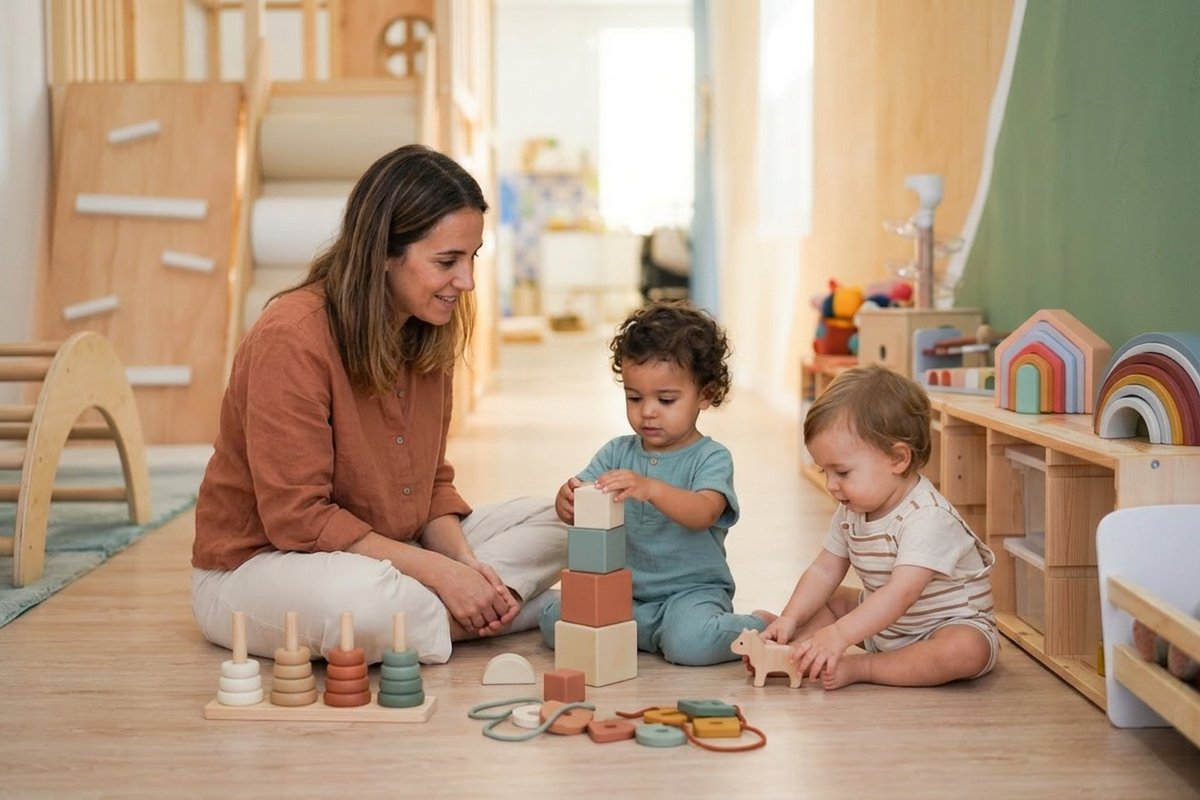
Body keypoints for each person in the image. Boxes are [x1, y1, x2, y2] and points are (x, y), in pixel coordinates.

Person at [191, 144, 567, 665]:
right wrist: (438, 573)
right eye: (446, 261)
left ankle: (474, 604)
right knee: (362, 604)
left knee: (571, 519)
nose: (467, 281)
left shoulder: (428, 328)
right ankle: (509, 610)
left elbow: (432, 484)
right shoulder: (291, 337)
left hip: (390, 548)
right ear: (385, 254)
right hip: (265, 565)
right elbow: (298, 521)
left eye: (472, 258)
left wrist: (463, 565)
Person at [538, 300, 768, 666]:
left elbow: (704, 512)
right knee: (554, 621)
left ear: (705, 395)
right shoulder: (616, 452)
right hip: (624, 591)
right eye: (634, 397)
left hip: (690, 593)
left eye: (666, 399)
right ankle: (646, 630)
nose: (647, 411)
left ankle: (758, 626)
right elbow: (583, 496)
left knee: (689, 644)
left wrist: (653, 489)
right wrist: (566, 501)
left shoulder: (711, 457)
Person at [758, 364, 999, 690]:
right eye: (824, 471)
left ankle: (865, 667)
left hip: (942, 627)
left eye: (842, 472)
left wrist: (840, 635)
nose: (830, 484)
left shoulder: (927, 517)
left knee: (964, 650)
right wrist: (790, 617)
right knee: (828, 598)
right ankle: (789, 652)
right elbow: (823, 571)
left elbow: (903, 593)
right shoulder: (852, 510)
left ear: (898, 459)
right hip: (883, 625)